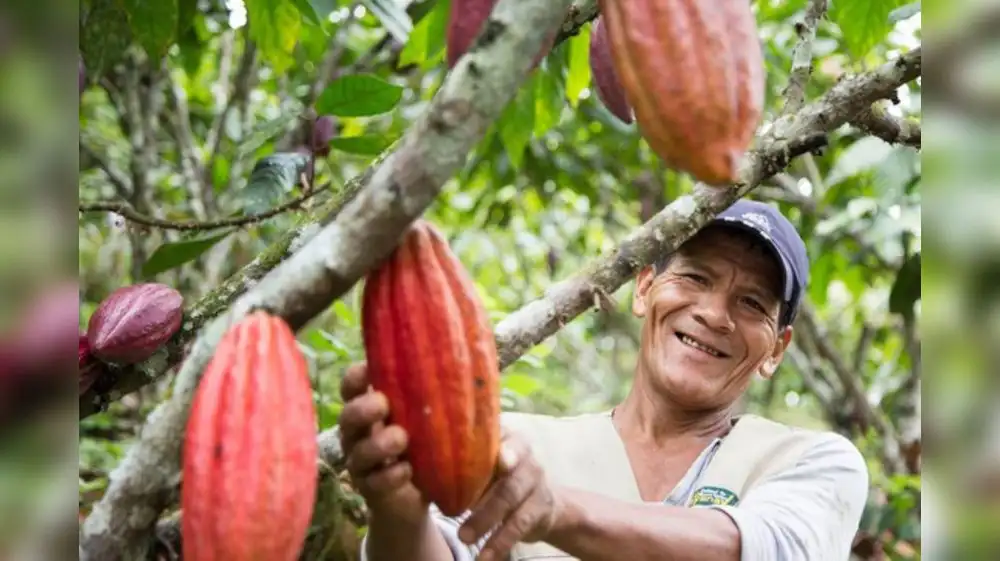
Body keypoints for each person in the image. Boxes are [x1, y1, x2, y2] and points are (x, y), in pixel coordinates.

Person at [339, 199, 870, 561]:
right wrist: (397, 512)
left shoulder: (813, 462)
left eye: (752, 303)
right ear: (644, 290)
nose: (714, 313)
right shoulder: (517, 446)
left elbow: (757, 548)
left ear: (776, 349)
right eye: (694, 277)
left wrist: (555, 511)